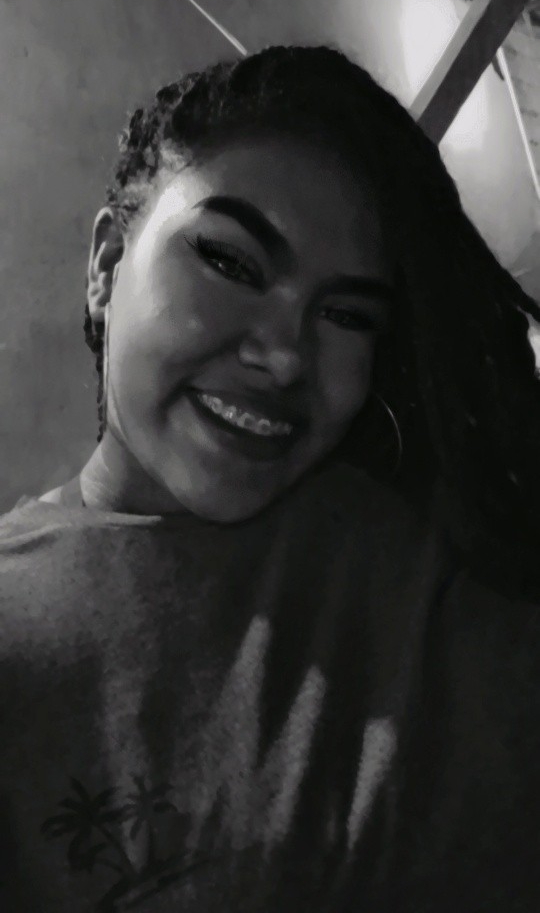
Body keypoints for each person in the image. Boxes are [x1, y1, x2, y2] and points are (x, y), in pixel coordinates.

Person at [1, 45, 540, 913]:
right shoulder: (17, 634)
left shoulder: (429, 535)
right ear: (106, 264)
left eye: (346, 313)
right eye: (232, 263)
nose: (286, 356)